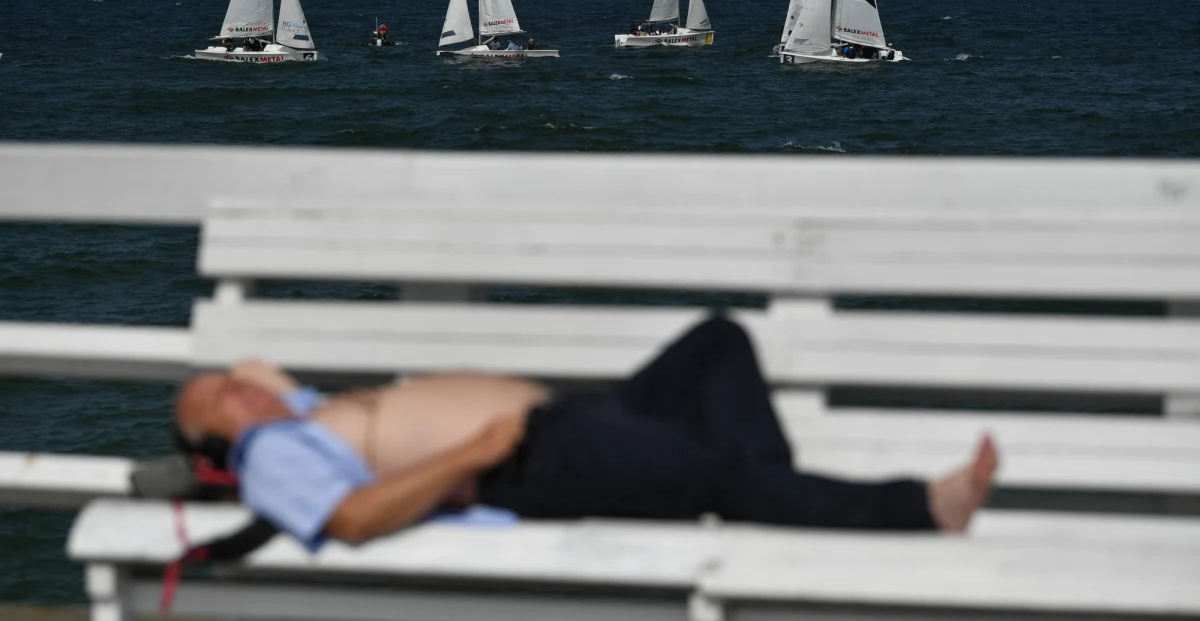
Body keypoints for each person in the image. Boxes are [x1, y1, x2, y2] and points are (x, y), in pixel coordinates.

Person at [175, 317, 998, 550]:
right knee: (715, 473)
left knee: (719, 342)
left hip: (570, 422)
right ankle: (922, 508)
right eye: (222, 396)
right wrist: (472, 451)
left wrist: (257, 390)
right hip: (527, 462)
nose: (240, 382)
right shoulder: (269, 453)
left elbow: (256, 363)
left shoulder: (300, 411)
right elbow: (350, 520)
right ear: (222, 444)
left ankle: (764, 501)